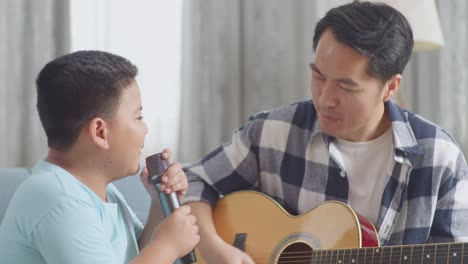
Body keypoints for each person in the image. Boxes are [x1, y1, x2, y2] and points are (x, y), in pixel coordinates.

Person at [182, 1, 468, 263]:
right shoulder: (272, 132)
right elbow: (193, 181)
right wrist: (213, 248)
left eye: (345, 86)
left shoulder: (440, 160)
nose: (324, 99)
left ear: (390, 87)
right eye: (318, 76)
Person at [0, 50, 199, 263]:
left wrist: (160, 203)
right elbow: (153, 252)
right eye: (138, 116)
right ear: (100, 132)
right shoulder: (58, 198)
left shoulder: (95, 190)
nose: (145, 128)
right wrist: (166, 246)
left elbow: (137, 252)